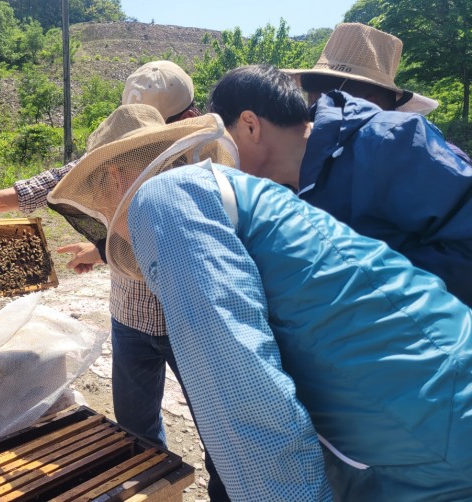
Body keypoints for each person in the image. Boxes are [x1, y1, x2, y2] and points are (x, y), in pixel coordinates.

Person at [120, 154, 472, 502]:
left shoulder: (163, 201)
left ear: (118, 177)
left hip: (429, 433)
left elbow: (241, 393)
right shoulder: (231, 191)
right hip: (434, 396)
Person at [0, 63, 231, 500]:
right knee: (134, 430)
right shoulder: (124, 149)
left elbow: (184, 245)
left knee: (221, 435)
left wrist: (101, 250)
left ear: (184, 119)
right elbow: (62, 177)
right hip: (130, 317)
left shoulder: (204, 164)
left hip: (190, 323)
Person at [208, 64, 472, 307]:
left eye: (223, 142)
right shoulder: (271, 196)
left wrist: (369, 298)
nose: (223, 157)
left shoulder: (388, 141)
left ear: (250, 126)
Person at [283, 22, 470, 162]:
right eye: (310, 99)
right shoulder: (317, 159)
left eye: (321, 101)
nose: (311, 114)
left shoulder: (431, 162)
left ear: (372, 104)